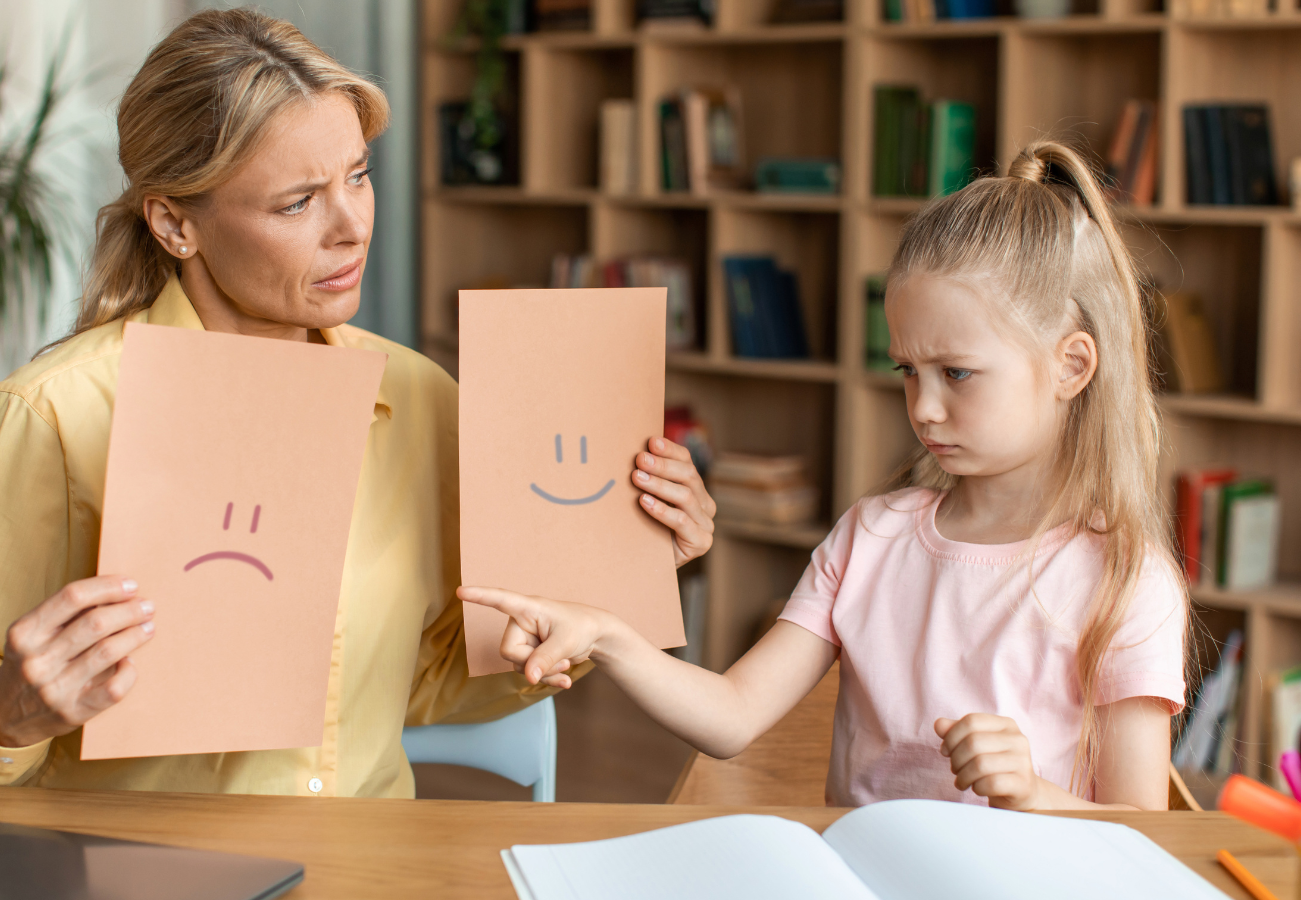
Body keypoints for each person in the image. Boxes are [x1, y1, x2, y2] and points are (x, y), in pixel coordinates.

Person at [0, 8, 715, 796]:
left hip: (363, 863)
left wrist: (608, 585)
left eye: (357, 176)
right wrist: (7, 713)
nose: (352, 225)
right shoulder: (54, 417)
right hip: (133, 871)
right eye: (297, 202)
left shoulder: (419, 400)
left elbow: (421, 685)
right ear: (176, 224)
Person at [463, 140, 1189, 811]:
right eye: (908, 371)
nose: (924, 408)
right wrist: (609, 635)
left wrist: (1036, 794)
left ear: (1072, 366)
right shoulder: (871, 538)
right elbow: (732, 714)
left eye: (957, 373)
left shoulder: (1124, 579)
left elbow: (1145, 835)